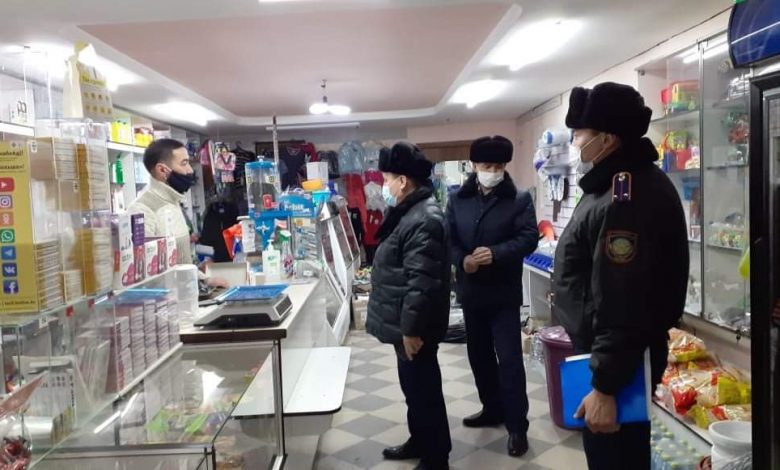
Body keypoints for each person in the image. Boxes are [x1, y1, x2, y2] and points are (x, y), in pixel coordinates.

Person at [553, 82, 689, 470]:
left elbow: (623, 298)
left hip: (620, 361)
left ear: (608, 138)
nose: (575, 142)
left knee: (615, 458)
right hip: (612, 354)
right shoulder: (612, 185)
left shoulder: (625, 197)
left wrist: (605, 387)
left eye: (580, 134)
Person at [446, 135, 538, 457]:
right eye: (488, 166)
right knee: (479, 357)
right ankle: (491, 408)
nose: (494, 171)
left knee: (510, 361)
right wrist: (462, 260)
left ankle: (517, 427)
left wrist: (496, 253)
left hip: (503, 296)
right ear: (474, 166)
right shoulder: (457, 199)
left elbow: (529, 238)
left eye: (499, 166)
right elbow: (449, 239)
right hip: (472, 294)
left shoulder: (519, 199)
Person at [366, 142, 451, 470]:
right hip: (405, 321)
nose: (384, 185)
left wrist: (411, 330)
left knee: (424, 391)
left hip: (416, 327)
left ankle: (436, 457)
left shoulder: (423, 218)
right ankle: (420, 441)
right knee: (413, 389)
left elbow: (422, 281)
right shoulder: (408, 212)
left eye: (387, 179)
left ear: (403, 181)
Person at [128, 138, 225, 287]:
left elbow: (182, 261)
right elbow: (142, 273)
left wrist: (205, 280)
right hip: (164, 298)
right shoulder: (142, 210)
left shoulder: (172, 201)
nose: (190, 170)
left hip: (185, 294)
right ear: (162, 170)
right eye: (184, 163)